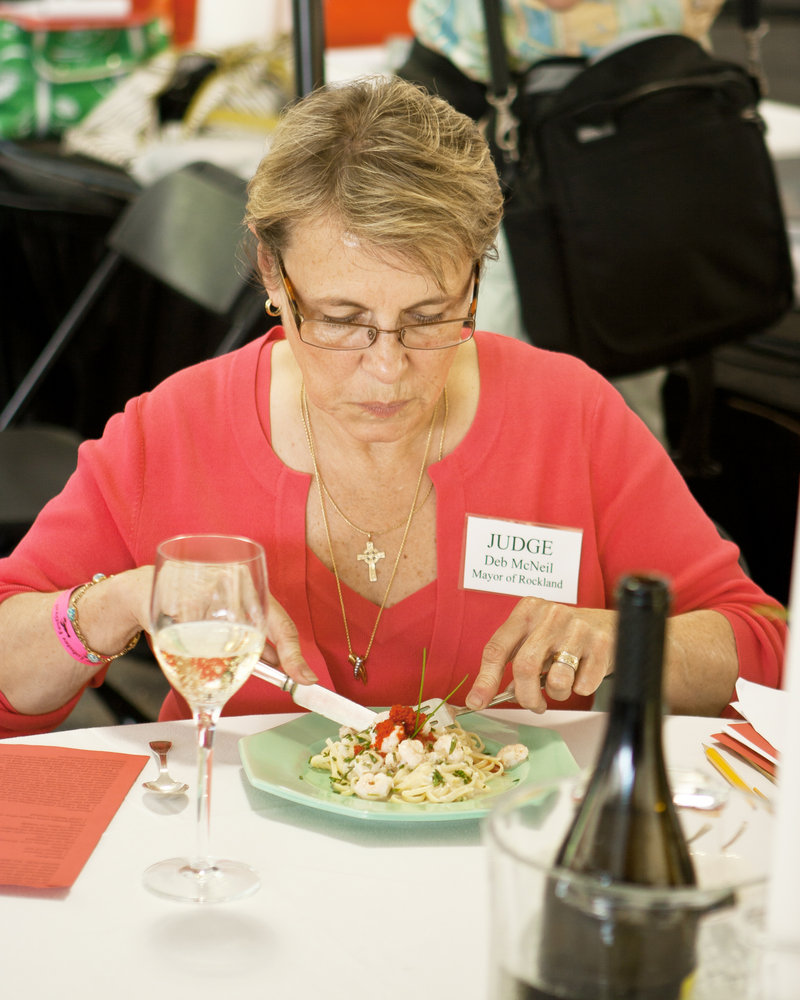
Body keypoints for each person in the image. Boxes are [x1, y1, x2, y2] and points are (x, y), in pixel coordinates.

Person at [0, 76, 786, 738]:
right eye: (340, 321)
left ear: (477, 277)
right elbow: (11, 681)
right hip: (251, 868)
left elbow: (762, 650)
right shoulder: (173, 431)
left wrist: (628, 639)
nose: (388, 369)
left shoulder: (568, 415)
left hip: (511, 854)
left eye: (431, 316)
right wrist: (121, 603)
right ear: (274, 276)